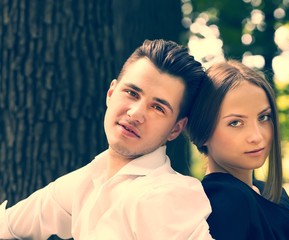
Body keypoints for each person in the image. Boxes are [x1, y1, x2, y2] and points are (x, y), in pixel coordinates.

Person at [0, 39, 213, 240]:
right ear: (111, 93)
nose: (135, 114)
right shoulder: (88, 180)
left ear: (175, 129)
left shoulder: (168, 195)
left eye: (158, 108)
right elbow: (7, 225)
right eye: (131, 93)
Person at [187, 59, 289, 240]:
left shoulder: (269, 193)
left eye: (264, 117)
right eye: (235, 123)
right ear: (203, 130)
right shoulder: (225, 201)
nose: (257, 136)